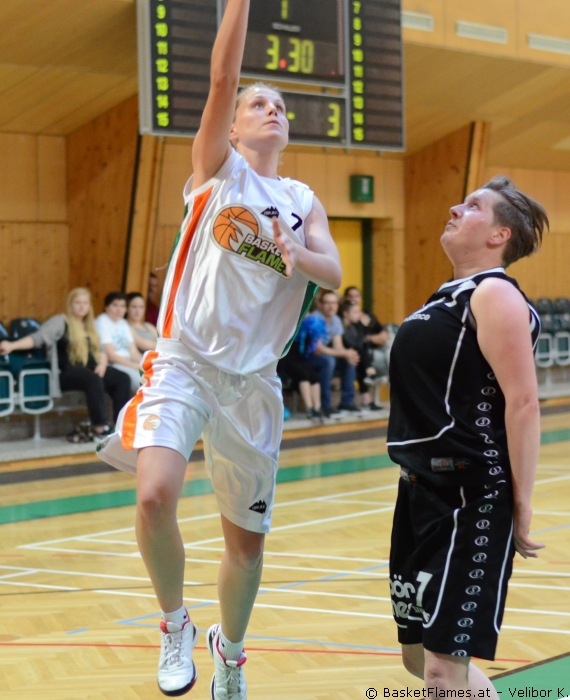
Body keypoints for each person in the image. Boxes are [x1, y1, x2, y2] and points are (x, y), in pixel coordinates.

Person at [97, 0, 341, 696]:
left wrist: (298, 253)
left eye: (280, 107)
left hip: (253, 385)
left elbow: (332, 271)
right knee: (154, 496)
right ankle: (175, 622)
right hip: (185, 362)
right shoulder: (218, 170)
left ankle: (229, 654)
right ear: (233, 126)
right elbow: (222, 76)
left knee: (247, 550)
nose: (272, 111)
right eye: (258, 104)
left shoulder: (301, 199)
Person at [386, 176, 548, 694]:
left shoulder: (494, 292)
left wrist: (521, 502)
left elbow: (523, 403)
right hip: (418, 493)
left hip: (469, 495)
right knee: (418, 657)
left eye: (474, 206)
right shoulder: (445, 298)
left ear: (500, 235)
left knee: (442, 668)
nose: (456, 208)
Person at [0, 288, 131, 440]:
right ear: (70, 304)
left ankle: (120, 426)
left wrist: (102, 364)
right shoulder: (60, 321)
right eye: (77, 303)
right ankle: (99, 427)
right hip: (66, 372)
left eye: (85, 303)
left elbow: (100, 350)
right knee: (92, 378)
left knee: (122, 378)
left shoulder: (90, 325)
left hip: (90, 368)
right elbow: (38, 338)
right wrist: (12, 345)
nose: (81, 306)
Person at [308, 289, 359, 416]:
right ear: (320, 304)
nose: (331, 306)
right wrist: (345, 353)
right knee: (329, 361)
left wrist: (348, 354)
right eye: (327, 303)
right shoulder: (314, 318)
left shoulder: (336, 319)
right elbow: (318, 349)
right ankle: (325, 405)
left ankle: (347, 402)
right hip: (308, 358)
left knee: (349, 360)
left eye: (334, 303)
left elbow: (338, 346)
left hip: (323, 356)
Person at [95, 292, 142, 393]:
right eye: (115, 305)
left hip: (129, 363)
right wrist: (134, 366)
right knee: (141, 383)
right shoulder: (102, 321)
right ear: (106, 307)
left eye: (123, 306)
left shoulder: (123, 323)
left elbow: (134, 352)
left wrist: (145, 363)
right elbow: (111, 355)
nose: (119, 310)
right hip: (114, 364)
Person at [277, 316, 323, 421]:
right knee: (304, 375)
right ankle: (309, 408)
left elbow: (313, 348)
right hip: (287, 360)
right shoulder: (290, 322)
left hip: (302, 360)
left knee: (314, 376)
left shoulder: (310, 324)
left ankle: (317, 408)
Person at [338, 300, 381, 410]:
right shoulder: (340, 325)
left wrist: (362, 327)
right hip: (336, 355)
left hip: (349, 355)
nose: (359, 315)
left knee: (358, 357)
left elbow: (359, 344)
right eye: (355, 312)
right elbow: (353, 344)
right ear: (345, 313)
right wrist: (362, 326)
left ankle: (366, 398)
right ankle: (351, 401)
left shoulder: (353, 326)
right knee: (355, 358)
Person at [342, 285, 390, 380]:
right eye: (351, 296)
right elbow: (355, 341)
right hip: (360, 349)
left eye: (357, 296)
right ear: (345, 298)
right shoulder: (346, 316)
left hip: (374, 347)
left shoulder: (367, 314)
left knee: (390, 350)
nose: (354, 299)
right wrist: (368, 338)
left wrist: (378, 337)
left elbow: (381, 332)